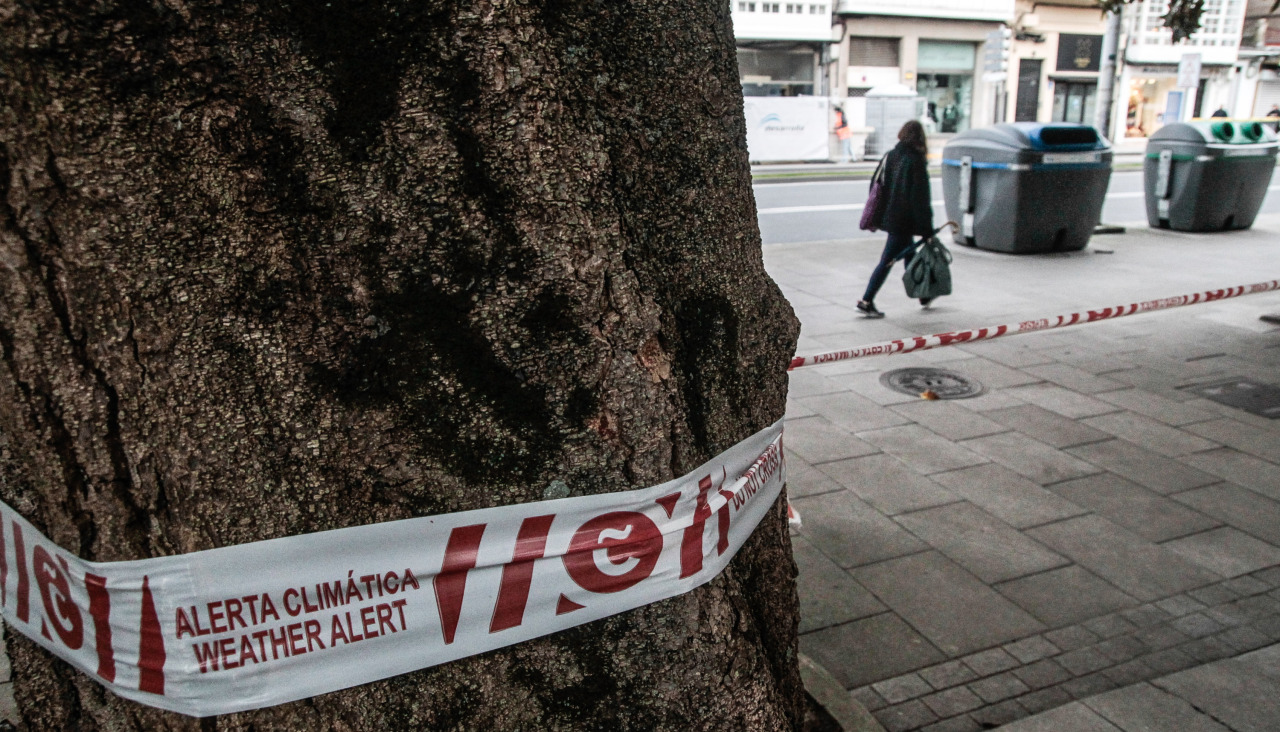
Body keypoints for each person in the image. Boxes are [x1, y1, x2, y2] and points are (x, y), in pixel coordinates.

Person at [857, 120, 934, 318]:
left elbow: (876, 184)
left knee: (910, 255)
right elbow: (920, 199)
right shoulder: (915, 160)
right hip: (903, 221)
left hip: (892, 216)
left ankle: (923, 295)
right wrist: (927, 230)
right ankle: (866, 300)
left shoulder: (891, 156)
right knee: (887, 260)